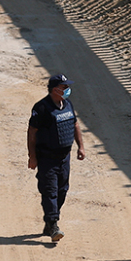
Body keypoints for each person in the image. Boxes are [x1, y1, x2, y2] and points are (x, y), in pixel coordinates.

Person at [27, 74, 85, 242]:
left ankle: (50, 220)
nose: (67, 90)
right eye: (64, 87)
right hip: (47, 158)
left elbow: (75, 124)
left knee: (62, 190)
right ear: (54, 90)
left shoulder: (67, 104)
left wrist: (80, 146)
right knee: (50, 191)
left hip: (64, 158)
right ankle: (53, 225)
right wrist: (32, 156)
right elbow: (32, 133)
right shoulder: (42, 108)